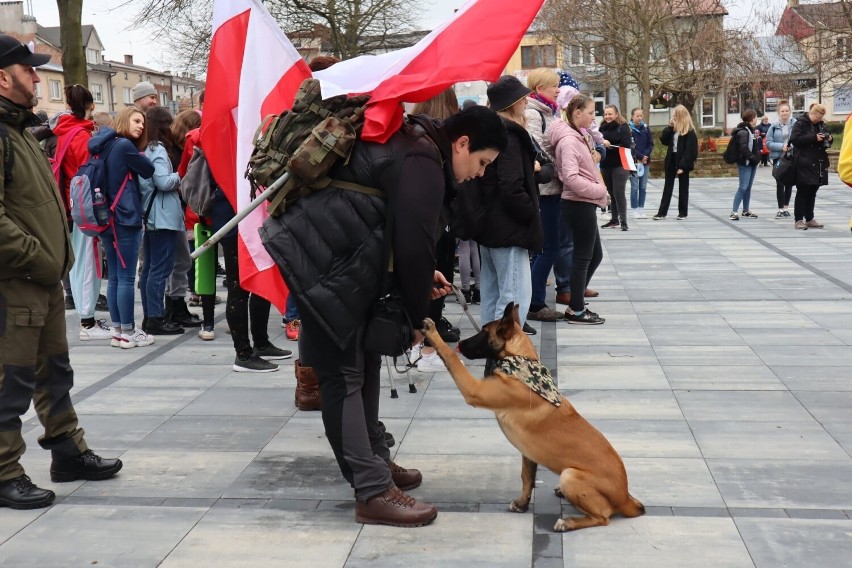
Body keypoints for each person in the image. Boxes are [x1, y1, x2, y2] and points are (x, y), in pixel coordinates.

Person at [265, 105, 507, 527]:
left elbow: (393, 224)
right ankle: (372, 490)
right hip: (322, 264)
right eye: (482, 162)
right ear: (463, 143)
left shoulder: (417, 145)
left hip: (337, 259)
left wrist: (417, 276)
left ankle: (374, 463)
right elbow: (413, 242)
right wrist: (417, 319)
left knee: (366, 359)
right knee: (344, 374)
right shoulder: (423, 158)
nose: (481, 173)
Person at [0, 33, 122, 509]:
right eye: (27, 70)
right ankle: (5, 471)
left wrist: (53, 264)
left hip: (43, 280)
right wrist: (38, 255)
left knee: (55, 373)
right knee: (10, 382)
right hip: (14, 283)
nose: (35, 76)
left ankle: (68, 452)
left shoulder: (18, 131)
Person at [473, 76, 544, 329]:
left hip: (489, 224)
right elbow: (511, 184)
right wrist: (529, 214)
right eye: (521, 97)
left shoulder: (489, 131)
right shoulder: (510, 135)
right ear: (511, 103)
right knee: (514, 297)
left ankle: (491, 353)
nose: (526, 101)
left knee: (493, 294)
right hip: (509, 227)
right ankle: (504, 357)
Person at [89, 106, 156, 348]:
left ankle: (119, 330)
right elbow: (148, 171)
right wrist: (142, 154)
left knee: (116, 276)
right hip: (125, 217)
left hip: (106, 216)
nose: (140, 126)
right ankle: (128, 332)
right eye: (137, 121)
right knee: (127, 277)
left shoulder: (103, 145)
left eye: (143, 123)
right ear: (125, 120)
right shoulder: (125, 146)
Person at [51, 85, 111, 341]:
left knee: (85, 261)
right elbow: (90, 171)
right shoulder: (82, 136)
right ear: (91, 105)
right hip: (86, 206)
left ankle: (87, 318)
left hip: (74, 205)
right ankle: (87, 322)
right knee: (87, 262)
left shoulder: (66, 131)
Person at [550, 93, 608, 325]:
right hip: (578, 203)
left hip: (584, 202)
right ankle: (576, 309)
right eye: (591, 113)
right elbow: (571, 178)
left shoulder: (577, 136)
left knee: (595, 255)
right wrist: (599, 191)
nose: (594, 118)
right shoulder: (568, 141)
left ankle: (577, 302)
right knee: (583, 257)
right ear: (577, 113)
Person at [411, 87, 462, 348]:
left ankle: (422, 331)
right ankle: (431, 330)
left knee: (424, 275)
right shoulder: (448, 136)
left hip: (422, 219)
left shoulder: (415, 131)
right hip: (442, 219)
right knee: (439, 277)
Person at [525, 68, 567, 323]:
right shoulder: (533, 113)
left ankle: (533, 298)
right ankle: (535, 302)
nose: (558, 89)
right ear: (540, 87)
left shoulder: (549, 111)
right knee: (548, 248)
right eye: (554, 86)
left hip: (553, 187)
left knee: (550, 247)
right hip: (545, 189)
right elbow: (537, 150)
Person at [138, 107, 185, 335]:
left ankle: (151, 317)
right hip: (162, 216)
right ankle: (155, 317)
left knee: (150, 268)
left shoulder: (147, 147)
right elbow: (163, 182)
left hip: (154, 215)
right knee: (160, 268)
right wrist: (181, 174)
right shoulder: (157, 150)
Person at [165, 109, 203, 330]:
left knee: (181, 262)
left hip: (177, 210)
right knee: (178, 262)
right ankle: (173, 309)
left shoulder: (174, 148)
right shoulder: (173, 152)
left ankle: (177, 307)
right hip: (175, 212)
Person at [790, 103, 833, 230]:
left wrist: (829, 139)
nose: (819, 120)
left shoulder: (820, 124)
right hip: (804, 162)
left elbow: (826, 138)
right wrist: (814, 138)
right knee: (803, 191)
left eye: (821, 118)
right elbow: (795, 139)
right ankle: (798, 219)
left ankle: (809, 218)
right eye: (817, 117)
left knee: (813, 190)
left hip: (818, 162)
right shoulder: (800, 123)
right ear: (812, 113)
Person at [653, 105, 698, 220]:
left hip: (683, 160)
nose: (673, 117)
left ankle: (683, 213)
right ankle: (662, 212)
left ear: (681, 116)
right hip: (671, 158)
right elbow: (664, 140)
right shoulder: (673, 130)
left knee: (683, 187)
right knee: (667, 186)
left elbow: (690, 151)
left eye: (675, 115)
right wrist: (669, 127)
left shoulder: (690, 132)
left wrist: (683, 166)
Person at [599, 105, 633, 231]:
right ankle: (614, 220)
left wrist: (610, 146)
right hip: (605, 164)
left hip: (620, 164)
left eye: (610, 114)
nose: (608, 116)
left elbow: (626, 145)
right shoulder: (601, 128)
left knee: (619, 193)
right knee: (611, 193)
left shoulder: (623, 127)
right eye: (606, 114)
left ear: (616, 114)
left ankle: (624, 221)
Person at [766, 102, 797, 218]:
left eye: (786, 111)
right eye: (782, 111)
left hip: (791, 157)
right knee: (779, 183)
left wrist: (791, 147)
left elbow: (799, 139)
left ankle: (786, 207)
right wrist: (781, 146)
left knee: (789, 183)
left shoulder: (796, 124)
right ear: (779, 113)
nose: (785, 113)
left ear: (790, 111)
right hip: (778, 158)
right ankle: (780, 209)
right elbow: (768, 143)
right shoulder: (773, 126)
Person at [730, 109, 761, 221]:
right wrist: (753, 157)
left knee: (748, 187)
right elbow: (743, 148)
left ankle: (746, 210)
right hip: (745, 163)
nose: (757, 119)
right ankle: (734, 212)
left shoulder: (751, 130)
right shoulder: (744, 131)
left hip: (751, 163)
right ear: (751, 118)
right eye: (756, 117)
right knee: (743, 187)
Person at [628, 108, 654, 219]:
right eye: (637, 116)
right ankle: (634, 209)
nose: (639, 118)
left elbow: (650, 143)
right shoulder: (629, 129)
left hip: (645, 161)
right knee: (634, 187)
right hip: (634, 161)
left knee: (643, 186)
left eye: (641, 116)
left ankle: (641, 208)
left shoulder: (645, 128)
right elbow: (629, 146)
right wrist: (639, 156)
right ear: (632, 116)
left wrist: (645, 156)